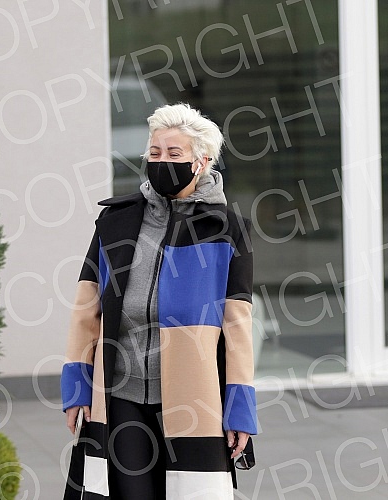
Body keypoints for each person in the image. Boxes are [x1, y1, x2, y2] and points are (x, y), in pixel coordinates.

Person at [61, 103, 257, 500]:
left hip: (194, 401)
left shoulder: (226, 230)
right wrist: (77, 388)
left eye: (173, 153)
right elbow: (86, 309)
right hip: (121, 398)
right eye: (154, 152)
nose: (161, 161)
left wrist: (240, 409)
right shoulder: (116, 221)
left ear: (202, 161)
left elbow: (237, 327)